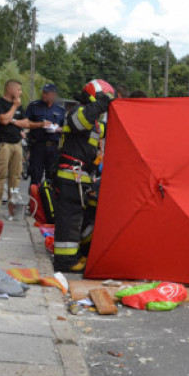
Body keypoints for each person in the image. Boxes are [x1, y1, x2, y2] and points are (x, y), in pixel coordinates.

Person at [52, 79, 116, 273]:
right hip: (70, 176)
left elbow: (111, 129)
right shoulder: (78, 113)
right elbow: (82, 121)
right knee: (69, 220)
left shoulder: (95, 124)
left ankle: (74, 256)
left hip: (80, 178)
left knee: (77, 220)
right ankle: (65, 262)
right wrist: (104, 102)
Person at [0, 80, 30, 212]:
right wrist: (14, 107)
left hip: (17, 143)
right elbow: (3, 120)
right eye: (18, 90)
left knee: (16, 175)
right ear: (11, 89)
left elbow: (25, 122)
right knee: (0, 173)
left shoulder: (19, 105)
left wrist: (13, 120)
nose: (20, 93)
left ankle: (12, 202)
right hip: (3, 143)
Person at [25, 83, 66, 185]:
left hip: (53, 148)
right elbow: (25, 123)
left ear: (54, 94)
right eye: (43, 92)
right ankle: (33, 196)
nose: (43, 95)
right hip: (37, 146)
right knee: (35, 178)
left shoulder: (60, 109)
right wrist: (40, 124)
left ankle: (47, 196)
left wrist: (58, 129)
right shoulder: (34, 106)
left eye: (47, 93)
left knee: (51, 179)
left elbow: (65, 128)